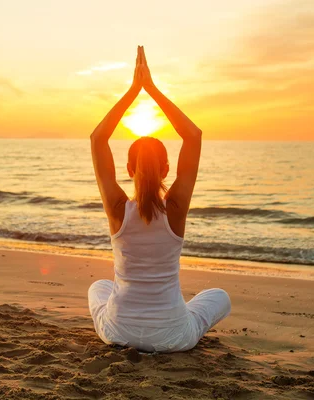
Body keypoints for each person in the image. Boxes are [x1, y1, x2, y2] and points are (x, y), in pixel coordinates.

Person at [88, 46, 231, 353]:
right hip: (172, 337)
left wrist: (133, 90)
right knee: (220, 296)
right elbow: (193, 136)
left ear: (128, 169)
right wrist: (151, 89)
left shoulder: (117, 210)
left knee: (98, 287)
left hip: (118, 332)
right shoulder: (175, 209)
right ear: (167, 169)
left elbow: (97, 139)